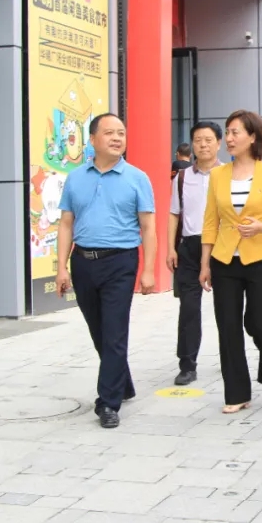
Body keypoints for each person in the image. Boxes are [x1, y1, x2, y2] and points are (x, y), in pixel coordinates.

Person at [56, 113, 156, 429]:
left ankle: (108, 403)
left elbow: (148, 227)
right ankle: (122, 383)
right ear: (93, 139)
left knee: (114, 332)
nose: (117, 138)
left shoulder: (137, 178)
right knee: (99, 331)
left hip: (120, 262)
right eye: (110, 133)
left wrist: (148, 270)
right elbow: (66, 224)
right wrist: (61, 268)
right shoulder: (75, 178)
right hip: (83, 262)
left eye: (121, 133)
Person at [200, 110, 262, 414]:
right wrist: (205, 264)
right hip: (225, 260)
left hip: (261, 257)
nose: (229, 138)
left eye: (235, 132)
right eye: (227, 132)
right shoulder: (217, 175)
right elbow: (210, 222)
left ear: (252, 137)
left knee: (261, 322)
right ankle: (236, 393)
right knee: (228, 326)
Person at [166, 121, 223, 386]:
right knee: (189, 307)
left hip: (222, 246)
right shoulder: (182, 177)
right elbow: (174, 213)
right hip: (189, 247)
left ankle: (230, 358)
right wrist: (171, 248)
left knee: (227, 306)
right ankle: (187, 365)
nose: (203, 145)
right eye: (198, 140)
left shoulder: (228, 174)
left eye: (208, 140)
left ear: (219, 143)